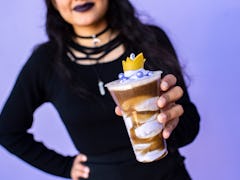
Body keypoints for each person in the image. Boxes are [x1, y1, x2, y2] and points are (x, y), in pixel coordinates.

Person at [0, 0, 200, 179]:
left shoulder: (151, 40)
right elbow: (7, 131)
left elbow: (190, 127)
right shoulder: (46, 61)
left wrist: (172, 120)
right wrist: (65, 167)